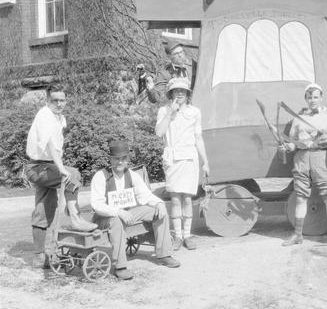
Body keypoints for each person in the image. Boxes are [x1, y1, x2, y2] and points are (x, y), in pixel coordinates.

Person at [25, 83, 97, 268]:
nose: (59, 104)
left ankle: (39, 256)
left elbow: (56, 144)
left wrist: (57, 165)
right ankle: (75, 217)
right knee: (73, 174)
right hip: (38, 167)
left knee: (42, 209)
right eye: (54, 100)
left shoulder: (59, 118)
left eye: (62, 100)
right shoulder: (45, 116)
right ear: (47, 100)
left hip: (46, 166)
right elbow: (49, 144)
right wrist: (61, 168)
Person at [90, 139, 180, 280]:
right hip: (105, 217)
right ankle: (120, 266)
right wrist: (118, 212)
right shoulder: (101, 176)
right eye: (116, 159)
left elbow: (145, 195)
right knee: (116, 221)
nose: (120, 162)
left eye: (123, 158)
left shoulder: (132, 175)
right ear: (110, 159)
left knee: (158, 212)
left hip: (127, 213)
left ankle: (164, 254)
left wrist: (159, 204)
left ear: (128, 159)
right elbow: (97, 205)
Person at [279, 83, 327, 247]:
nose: (312, 100)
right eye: (309, 97)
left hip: (321, 158)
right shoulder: (298, 119)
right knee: (300, 197)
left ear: (321, 98)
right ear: (305, 99)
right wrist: (289, 146)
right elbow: (294, 142)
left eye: (315, 97)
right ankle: (298, 235)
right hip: (301, 158)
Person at [155, 77, 209, 251]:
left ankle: (187, 236)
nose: (180, 94)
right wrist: (171, 112)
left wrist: (205, 162)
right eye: (176, 91)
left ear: (187, 94)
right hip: (172, 158)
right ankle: (177, 236)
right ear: (171, 93)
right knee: (175, 198)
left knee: (187, 198)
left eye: (183, 91)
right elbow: (159, 132)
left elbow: (198, 138)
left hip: (189, 158)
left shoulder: (195, 112)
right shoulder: (164, 111)